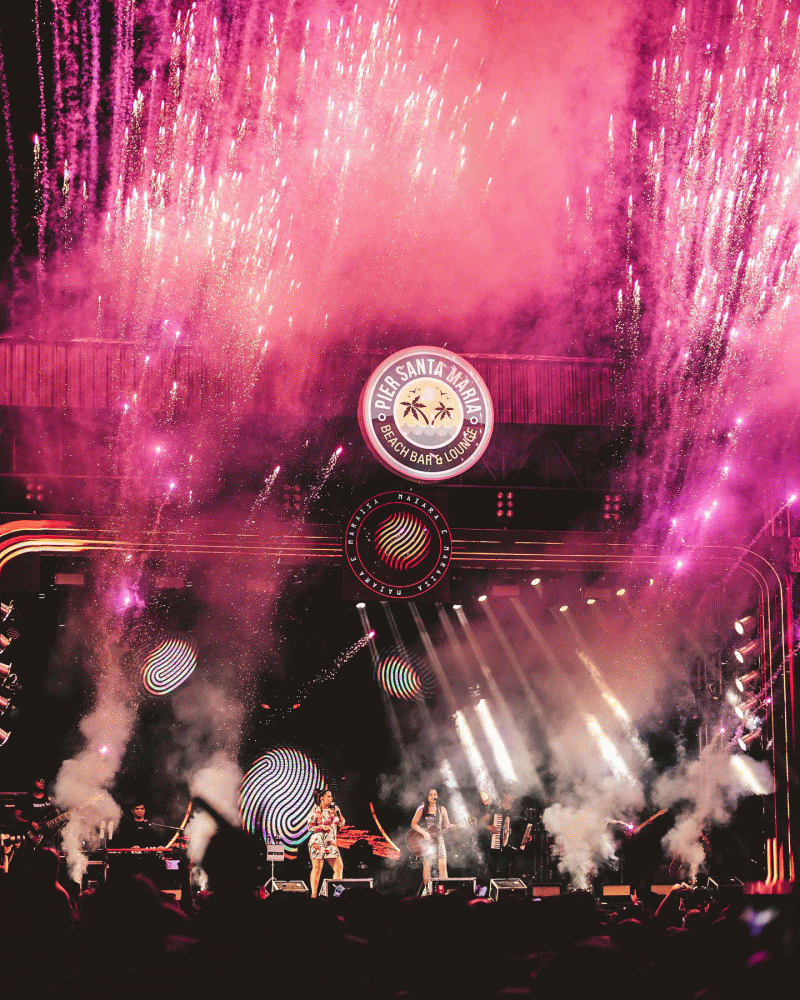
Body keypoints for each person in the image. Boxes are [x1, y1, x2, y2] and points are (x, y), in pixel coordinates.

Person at [411, 788, 452, 893]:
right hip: (427, 841)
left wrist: (460, 825)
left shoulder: (442, 809)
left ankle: (443, 891)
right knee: (427, 865)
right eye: (430, 794)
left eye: (435, 794)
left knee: (443, 866)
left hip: (439, 840)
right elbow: (413, 824)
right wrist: (424, 833)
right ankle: (428, 891)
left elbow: (447, 826)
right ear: (427, 797)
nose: (433, 796)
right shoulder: (423, 809)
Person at [307, 787, 345, 897]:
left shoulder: (334, 810)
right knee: (317, 868)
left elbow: (342, 823)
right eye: (328, 796)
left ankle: (336, 895)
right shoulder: (315, 811)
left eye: (331, 796)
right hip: (317, 842)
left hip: (330, 843)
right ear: (322, 798)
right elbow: (310, 827)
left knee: (339, 867)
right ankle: (314, 895)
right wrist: (321, 828)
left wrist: (338, 813)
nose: (331, 798)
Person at [13, 776, 62, 849]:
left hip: (49, 838)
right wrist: (30, 823)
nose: (42, 782)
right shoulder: (26, 799)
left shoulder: (50, 799)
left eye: (43, 780)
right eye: (39, 780)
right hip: (30, 837)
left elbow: (58, 816)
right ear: (33, 782)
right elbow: (16, 816)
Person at [481, 790, 517, 878]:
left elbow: (520, 829)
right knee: (495, 873)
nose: (513, 796)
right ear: (505, 796)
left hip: (512, 851)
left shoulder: (515, 812)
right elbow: (481, 822)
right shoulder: (495, 810)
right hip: (497, 849)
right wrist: (488, 827)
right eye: (510, 794)